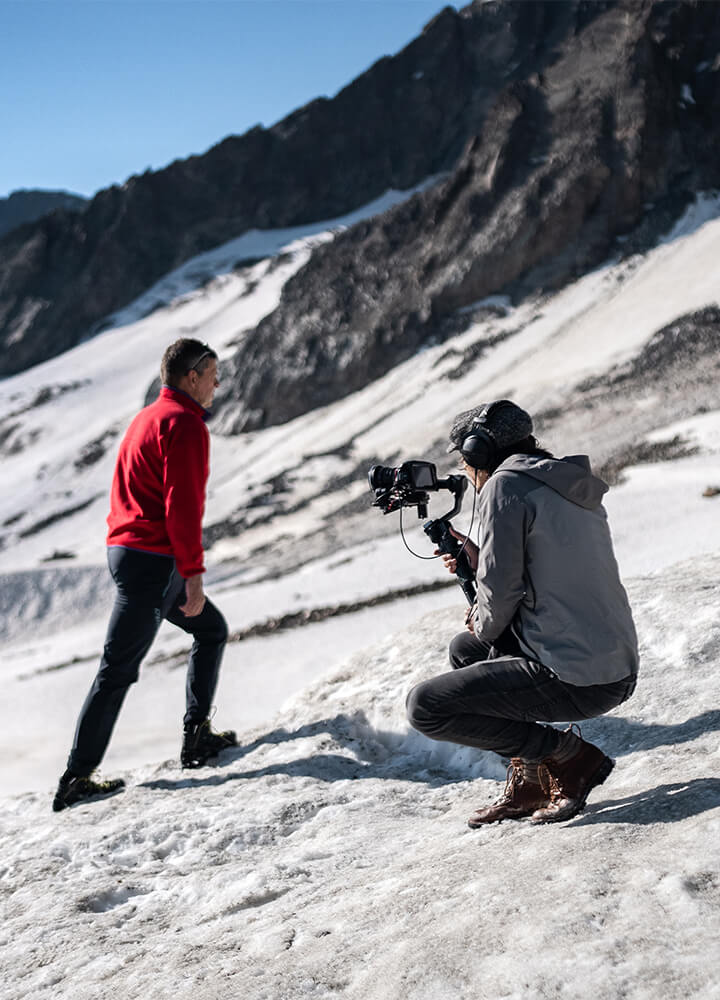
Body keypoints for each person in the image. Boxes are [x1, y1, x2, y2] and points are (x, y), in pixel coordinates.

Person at [406, 400, 638, 827]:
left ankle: (568, 757)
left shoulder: (504, 486)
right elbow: (541, 573)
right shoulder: (565, 482)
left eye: (465, 459)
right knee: (466, 651)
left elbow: (499, 602)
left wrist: (480, 612)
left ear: (478, 451)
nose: (466, 469)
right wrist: (480, 563)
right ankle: (531, 783)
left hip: (576, 677)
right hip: (614, 667)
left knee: (426, 707)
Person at [53, 338, 235, 812]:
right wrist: (193, 576)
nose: (217, 383)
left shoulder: (147, 418)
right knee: (117, 671)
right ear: (191, 376)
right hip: (154, 562)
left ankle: (197, 737)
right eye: (212, 373)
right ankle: (75, 780)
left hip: (133, 553)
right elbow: (183, 509)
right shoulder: (185, 425)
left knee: (211, 630)